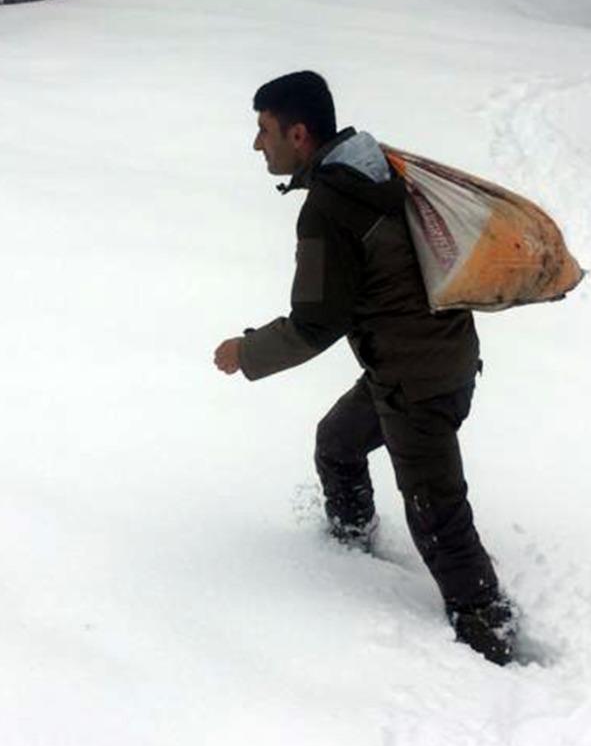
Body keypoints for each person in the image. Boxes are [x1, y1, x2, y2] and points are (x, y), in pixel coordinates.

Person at [212, 70, 517, 665]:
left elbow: (316, 323)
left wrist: (245, 353)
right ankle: (350, 548)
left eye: (264, 130)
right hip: (432, 359)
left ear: (299, 134)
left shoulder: (332, 205)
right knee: (337, 442)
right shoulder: (372, 166)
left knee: (438, 516)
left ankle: (490, 633)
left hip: (416, 379)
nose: (257, 144)